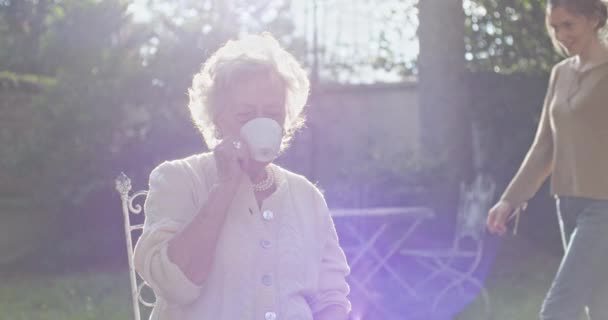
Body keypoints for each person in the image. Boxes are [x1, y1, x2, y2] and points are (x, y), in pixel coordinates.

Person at [133, 33, 351, 320]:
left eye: (272, 113)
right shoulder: (178, 179)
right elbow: (175, 285)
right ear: (216, 119)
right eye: (246, 115)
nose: (261, 123)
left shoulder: (307, 196)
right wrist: (226, 186)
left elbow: (331, 295)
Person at [486, 0, 608, 319]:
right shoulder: (560, 74)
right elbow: (544, 147)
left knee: (558, 307)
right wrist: (509, 200)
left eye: (569, 24)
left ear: (594, 19)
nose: (561, 34)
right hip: (567, 203)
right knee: (598, 305)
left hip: (604, 207)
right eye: (555, 27)